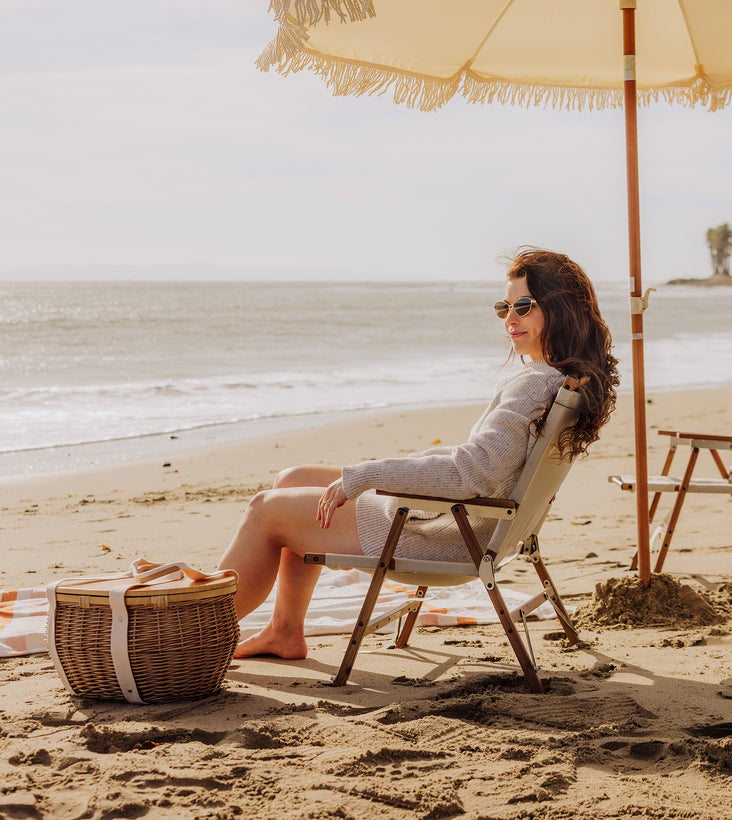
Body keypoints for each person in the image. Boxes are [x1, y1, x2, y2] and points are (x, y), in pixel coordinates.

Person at [217, 248, 618, 660]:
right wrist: (390, 468)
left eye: (523, 306)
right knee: (292, 479)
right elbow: (481, 465)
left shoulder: (533, 386)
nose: (509, 319)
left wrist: (367, 476)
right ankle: (284, 630)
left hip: (444, 534)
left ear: (561, 309)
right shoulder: (561, 379)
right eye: (504, 307)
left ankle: (203, 635)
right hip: (474, 524)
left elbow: (471, 473)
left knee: (265, 510)